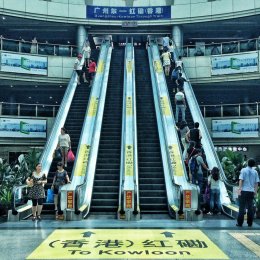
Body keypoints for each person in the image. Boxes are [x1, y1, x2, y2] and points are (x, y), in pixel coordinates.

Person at [236, 158, 259, 227]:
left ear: (247, 163)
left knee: (241, 208)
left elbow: (241, 180)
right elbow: (256, 183)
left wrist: (239, 189)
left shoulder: (243, 170)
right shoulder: (255, 172)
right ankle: (250, 223)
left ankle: (240, 223)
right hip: (251, 192)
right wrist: (255, 191)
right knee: (250, 208)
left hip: (243, 191)